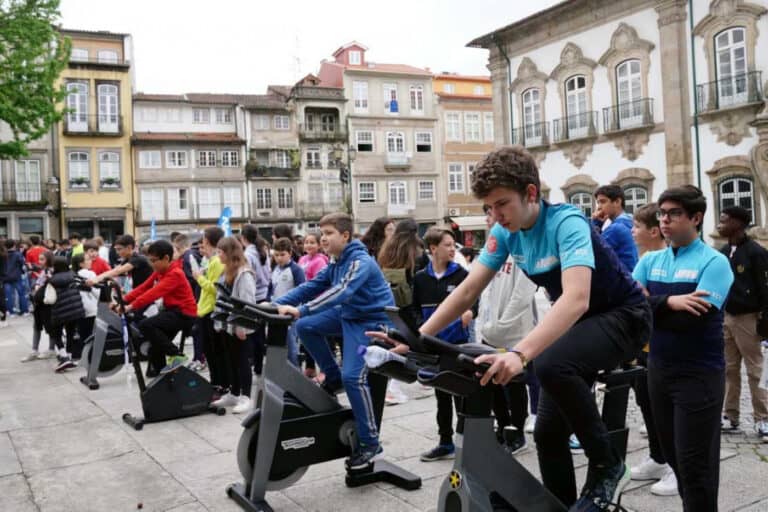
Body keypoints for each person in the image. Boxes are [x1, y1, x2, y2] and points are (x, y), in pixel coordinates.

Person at [375, 146, 651, 509]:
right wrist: (416, 339)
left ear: (531, 193)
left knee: (550, 363)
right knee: (548, 434)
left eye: (501, 204)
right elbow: (469, 288)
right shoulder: (506, 233)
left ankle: (608, 464)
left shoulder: (567, 222)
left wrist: (521, 354)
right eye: (488, 207)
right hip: (580, 326)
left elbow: (576, 298)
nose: (495, 215)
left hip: (625, 316)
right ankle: (563, 505)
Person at [633, 185, 734, 511]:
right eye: (662, 213)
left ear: (696, 217)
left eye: (674, 213)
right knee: (675, 458)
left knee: (696, 466)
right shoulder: (651, 260)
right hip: (659, 370)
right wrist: (672, 302)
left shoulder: (715, 263)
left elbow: (690, 321)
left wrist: (653, 305)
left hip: (698, 375)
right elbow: (629, 307)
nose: (665, 220)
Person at [274, 213, 395, 469]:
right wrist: (276, 304)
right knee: (305, 327)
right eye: (322, 233)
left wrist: (301, 309)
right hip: (349, 315)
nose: (322, 238)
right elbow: (314, 285)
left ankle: (371, 442)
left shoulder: (360, 261)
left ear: (345, 235)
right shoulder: (336, 261)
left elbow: (342, 292)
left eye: (328, 233)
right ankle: (332, 376)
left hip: (371, 323)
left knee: (354, 377)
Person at [411, 227, 477, 462]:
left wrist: (470, 312)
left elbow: (474, 302)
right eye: (447, 245)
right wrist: (422, 332)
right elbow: (415, 309)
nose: (452, 249)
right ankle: (445, 442)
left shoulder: (461, 274)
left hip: (457, 346)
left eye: (453, 245)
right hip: (434, 347)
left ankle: (465, 443)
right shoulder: (420, 278)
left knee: (461, 397)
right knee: (441, 398)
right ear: (433, 248)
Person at [477, 206, 538, 455]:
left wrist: (503, 323)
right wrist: (486, 322)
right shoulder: (492, 249)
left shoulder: (521, 248)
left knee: (514, 384)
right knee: (492, 384)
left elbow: (523, 292)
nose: (488, 219)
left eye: (491, 214)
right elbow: (484, 290)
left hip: (514, 333)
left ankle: (516, 433)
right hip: (490, 330)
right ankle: (502, 427)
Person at [627, 202, 678, 496]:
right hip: (642, 346)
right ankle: (658, 457)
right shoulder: (643, 259)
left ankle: (675, 465)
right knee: (647, 405)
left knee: (667, 410)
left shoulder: (665, 260)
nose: (632, 231)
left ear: (654, 231)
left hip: (663, 345)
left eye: (637, 227)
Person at [717, 206, 768, 442]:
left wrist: (764, 320)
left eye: (724, 220)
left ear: (738, 223)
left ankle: (763, 419)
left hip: (748, 317)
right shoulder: (724, 251)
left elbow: (765, 288)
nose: (719, 223)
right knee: (729, 368)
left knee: (755, 369)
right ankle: (730, 415)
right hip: (727, 316)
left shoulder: (756, 253)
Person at [123, 240, 198, 374]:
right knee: (155, 349)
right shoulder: (160, 270)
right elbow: (144, 287)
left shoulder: (175, 273)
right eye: (149, 260)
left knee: (146, 325)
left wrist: (131, 306)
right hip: (172, 311)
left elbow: (154, 292)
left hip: (184, 313)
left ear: (166, 258)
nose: (151, 264)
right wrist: (124, 300)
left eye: (154, 260)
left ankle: (177, 355)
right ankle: (162, 381)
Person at [377, 220, 423, 405]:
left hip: (390, 304)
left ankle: (391, 384)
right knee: (409, 346)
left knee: (400, 342)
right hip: (409, 304)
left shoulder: (387, 250)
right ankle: (393, 387)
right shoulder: (414, 253)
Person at [213, 236, 258, 414]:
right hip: (226, 324)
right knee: (230, 359)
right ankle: (234, 392)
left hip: (239, 325)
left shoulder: (244, 273)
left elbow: (247, 301)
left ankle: (246, 397)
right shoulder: (227, 272)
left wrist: (243, 326)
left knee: (242, 361)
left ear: (229, 253)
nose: (218, 256)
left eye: (220, 252)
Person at [194, 227, 227, 387]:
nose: (202, 248)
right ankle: (217, 383)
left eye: (203, 244)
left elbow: (214, 289)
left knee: (214, 353)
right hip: (205, 310)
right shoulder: (212, 261)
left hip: (210, 311)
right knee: (210, 352)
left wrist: (199, 278)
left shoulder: (216, 262)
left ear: (206, 241)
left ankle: (218, 384)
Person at [270, 237, 305, 366]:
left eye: (282, 254)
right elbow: (271, 289)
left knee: (291, 347)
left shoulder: (296, 270)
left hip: (291, 314)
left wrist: (294, 310)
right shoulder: (275, 269)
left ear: (290, 253)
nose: (279, 258)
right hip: (275, 312)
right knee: (279, 346)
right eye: (276, 255)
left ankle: (295, 372)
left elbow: (302, 291)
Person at [241, 224, 271, 376]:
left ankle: (257, 366)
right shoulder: (262, 250)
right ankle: (259, 366)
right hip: (263, 294)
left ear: (243, 238)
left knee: (253, 334)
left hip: (253, 297)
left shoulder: (248, 254)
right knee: (260, 334)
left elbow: (248, 277)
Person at [48, 256, 85, 372]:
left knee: (56, 333)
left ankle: (64, 357)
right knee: (70, 333)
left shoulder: (52, 280)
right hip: (75, 310)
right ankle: (69, 357)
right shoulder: (73, 275)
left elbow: (47, 298)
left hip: (60, 311)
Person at [592, 185, 639, 272]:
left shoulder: (615, 229)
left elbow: (592, 251)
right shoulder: (630, 221)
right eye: (598, 203)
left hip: (622, 281)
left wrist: (596, 223)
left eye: (603, 202)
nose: (599, 207)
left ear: (617, 202)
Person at [21, 251, 56, 361]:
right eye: (39, 259)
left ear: (49, 260)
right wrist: (37, 285)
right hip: (39, 303)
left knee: (50, 327)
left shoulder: (51, 271)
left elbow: (49, 284)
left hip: (47, 304)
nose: (39, 261)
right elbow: (39, 283)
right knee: (36, 326)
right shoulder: (43, 271)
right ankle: (34, 350)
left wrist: (39, 285)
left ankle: (51, 350)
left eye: (42, 259)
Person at [71, 253, 100, 350]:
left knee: (83, 333)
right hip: (91, 307)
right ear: (81, 264)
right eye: (87, 259)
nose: (90, 261)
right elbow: (97, 292)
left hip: (78, 308)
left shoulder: (73, 275)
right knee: (92, 334)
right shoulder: (90, 274)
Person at [4, 240, 29, 316]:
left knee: (8, 295)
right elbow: (23, 264)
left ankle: (10, 311)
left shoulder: (2, 254)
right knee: (22, 293)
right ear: (14, 245)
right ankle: (24, 311)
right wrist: (23, 272)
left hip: (5, 277)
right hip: (17, 276)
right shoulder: (18, 254)